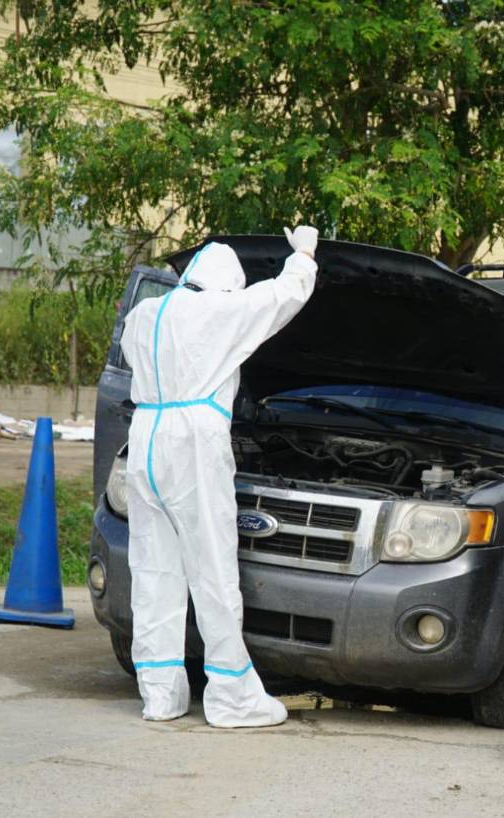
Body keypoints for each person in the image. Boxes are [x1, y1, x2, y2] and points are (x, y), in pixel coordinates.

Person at [120, 226, 319, 727]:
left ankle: (161, 694)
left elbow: (131, 358)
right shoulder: (220, 310)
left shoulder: (146, 314)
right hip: (193, 438)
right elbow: (281, 296)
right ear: (227, 284)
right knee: (212, 568)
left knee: (154, 570)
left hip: (146, 433)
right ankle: (231, 694)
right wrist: (303, 256)